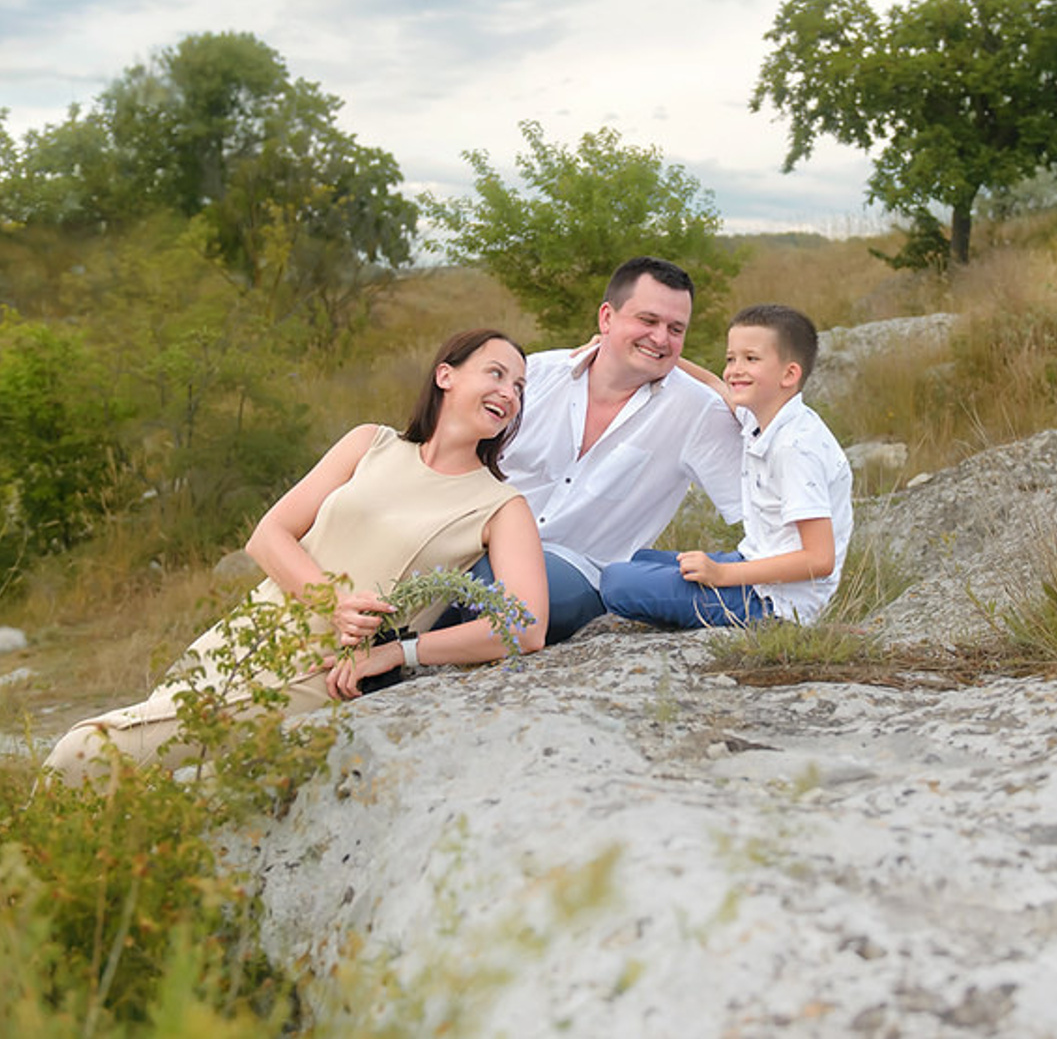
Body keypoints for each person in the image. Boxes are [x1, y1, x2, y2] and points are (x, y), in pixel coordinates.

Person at [45, 329, 548, 787]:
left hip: (317, 673)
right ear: (445, 375)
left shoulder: (501, 506)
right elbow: (268, 536)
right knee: (130, 777)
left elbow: (526, 627)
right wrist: (333, 601)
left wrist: (400, 651)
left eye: (520, 387)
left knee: (83, 751)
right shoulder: (370, 443)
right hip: (246, 635)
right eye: (496, 374)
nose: (509, 393)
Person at [458, 256, 744, 645]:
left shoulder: (697, 412)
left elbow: (763, 507)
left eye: (675, 329)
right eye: (648, 320)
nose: (661, 338)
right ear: (606, 318)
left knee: (487, 586)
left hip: (577, 572)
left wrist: (720, 388)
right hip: (476, 542)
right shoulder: (536, 375)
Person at [599, 303, 853, 628]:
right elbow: (713, 384)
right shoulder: (764, 413)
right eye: (731, 358)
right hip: (752, 564)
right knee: (637, 557)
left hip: (773, 602)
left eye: (751, 359)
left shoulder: (795, 448)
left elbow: (819, 559)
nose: (734, 370)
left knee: (617, 581)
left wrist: (722, 575)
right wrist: (628, 350)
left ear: (789, 374)